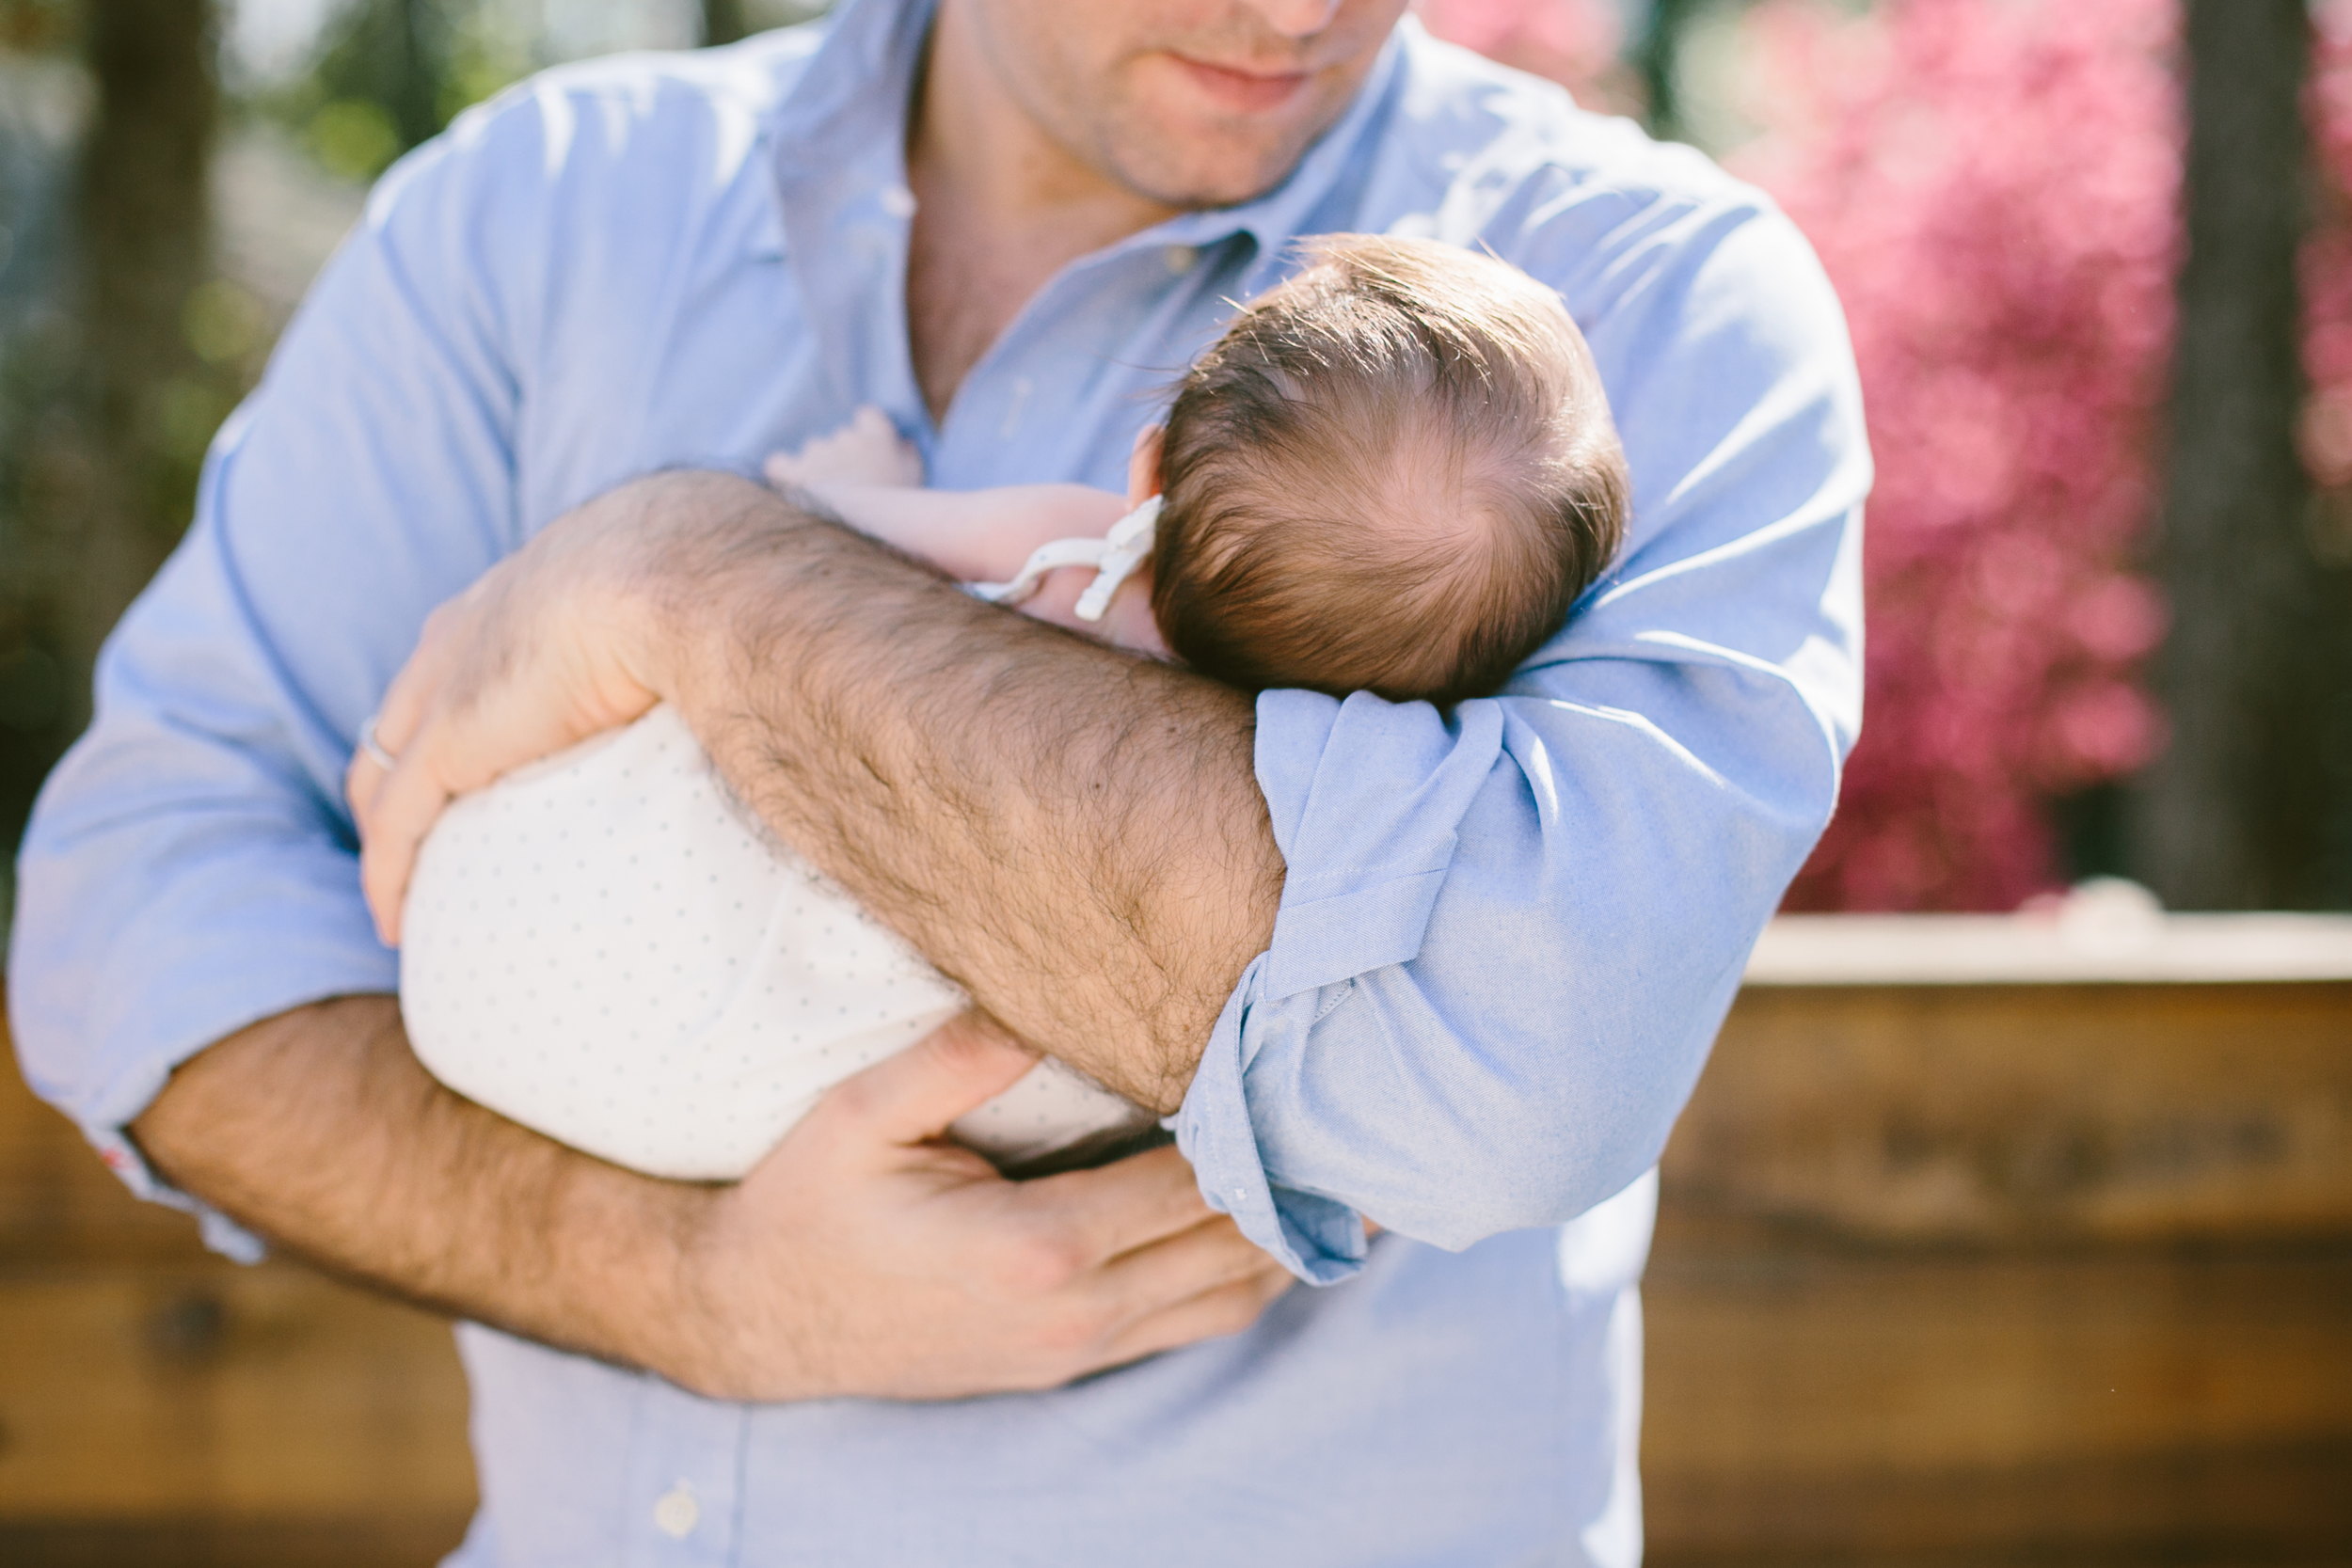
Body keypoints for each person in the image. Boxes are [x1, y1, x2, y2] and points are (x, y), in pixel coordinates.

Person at [8, 0, 1867, 1562]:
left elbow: (1505, 1073)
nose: (1296, 11)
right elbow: (129, 923)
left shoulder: (1620, 319)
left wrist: (705, 583)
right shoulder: (532, 222)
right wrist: (672, 1282)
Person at [395, 233, 1631, 1185]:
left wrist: (848, 487)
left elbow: (825, 541)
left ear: (1148, 471)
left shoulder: (1058, 557)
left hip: (495, 999)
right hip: (748, 1112)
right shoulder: (1302, 815)